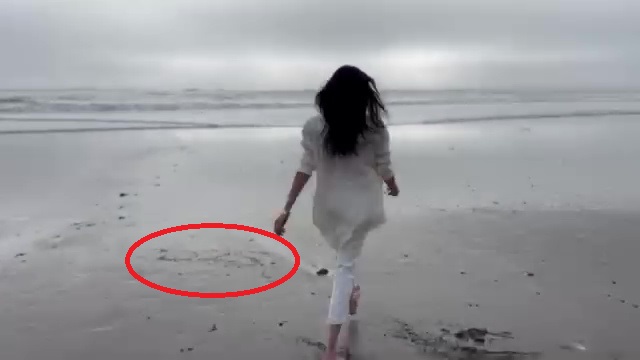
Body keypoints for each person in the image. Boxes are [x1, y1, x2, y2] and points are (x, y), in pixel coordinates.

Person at [273, 65, 399, 360]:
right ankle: (333, 347)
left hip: (329, 207)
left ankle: (337, 328)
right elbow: (384, 167)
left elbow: (305, 168)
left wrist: (287, 209)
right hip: (361, 208)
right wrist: (392, 186)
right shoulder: (375, 130)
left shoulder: (315, 128)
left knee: (345, 260)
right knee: (345, 265)